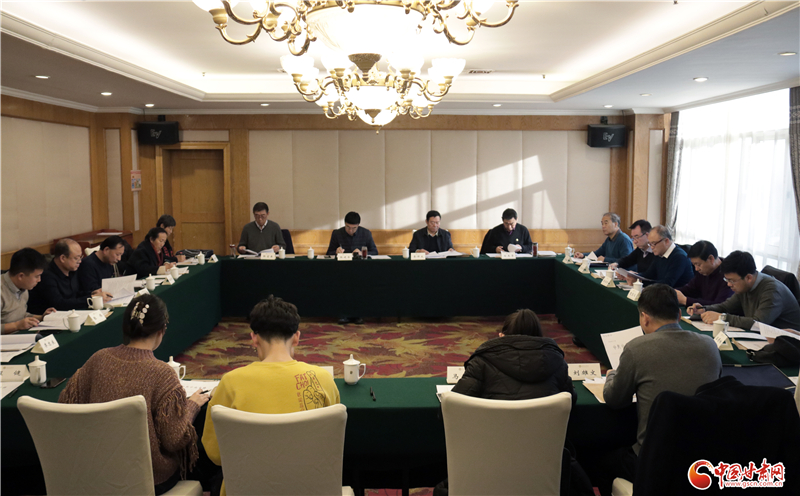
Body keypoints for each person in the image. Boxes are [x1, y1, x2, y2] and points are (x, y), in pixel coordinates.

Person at [59, 294, 209, 495]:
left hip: (97, 472)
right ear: (162, 330)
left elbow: (67, 401)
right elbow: (174, 439)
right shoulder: (162, 373)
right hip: (149, 479)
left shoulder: (99, 359)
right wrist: (192, 406)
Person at [202, 295, 340, 496]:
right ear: (297, 337)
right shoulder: (323, 379)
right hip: (309, 488)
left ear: (254, 338)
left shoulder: (230, 383)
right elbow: (331, 446)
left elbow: (215, 454)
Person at [445, 310, 592, 496]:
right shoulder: (557, 362)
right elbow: (571, 401)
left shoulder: (482, 361)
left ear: (502, 336)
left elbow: (452, 410)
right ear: (538, 337)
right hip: (543, 463)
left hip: (488, 460)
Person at [597, 284, 721, 496]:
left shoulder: (637, 348)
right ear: (679, 315)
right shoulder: (709, 345)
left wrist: (612, 375)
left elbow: (614, 399)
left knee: (599, 459)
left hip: (654, 463)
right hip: (703, 461)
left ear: (644, 318)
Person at [689, 250, 800, 330]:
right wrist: (704, 309)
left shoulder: (772, 290)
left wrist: (722, 317)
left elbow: (758, 324)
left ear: (748, 278)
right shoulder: (744, 286)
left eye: (731, 280)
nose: (728, 284)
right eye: (726, 279)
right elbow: (726, 307)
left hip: (788, 345)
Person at [28, 239, 111, 314]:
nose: (80, 261)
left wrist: (92, 293)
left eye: (81, 257)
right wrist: (91, 298)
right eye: (76, 258)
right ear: (63, 258)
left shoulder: (72, 270)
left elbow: (75, 294)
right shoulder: (46, 276)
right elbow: (59, 304)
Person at [1, 248, 55, 334]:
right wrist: (16, 325)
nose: (39, 280)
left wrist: (42, 317)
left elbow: (20, 315)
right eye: (36, 276)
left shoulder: (23, 287)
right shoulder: (2, 291)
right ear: (21, 276)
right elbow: (17, 322)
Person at [627, 225, 693, 288]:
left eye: (654, 243)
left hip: (676, 294)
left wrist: (640, 282)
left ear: (666, 241)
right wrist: (635, 276)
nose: (651, 247)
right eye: (650, 244)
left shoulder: (679, 257)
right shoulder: (660, 253)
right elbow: (649, 274)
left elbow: (667, 284)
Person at [675, 240, 733, 307]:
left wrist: (685, 301)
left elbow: (719, 306)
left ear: (711, 259)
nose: (696, 269)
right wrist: (672, 292)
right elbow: (689, 289)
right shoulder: (704, 272)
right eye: (694, 265)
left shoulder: (729, 275)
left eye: (698, 265)